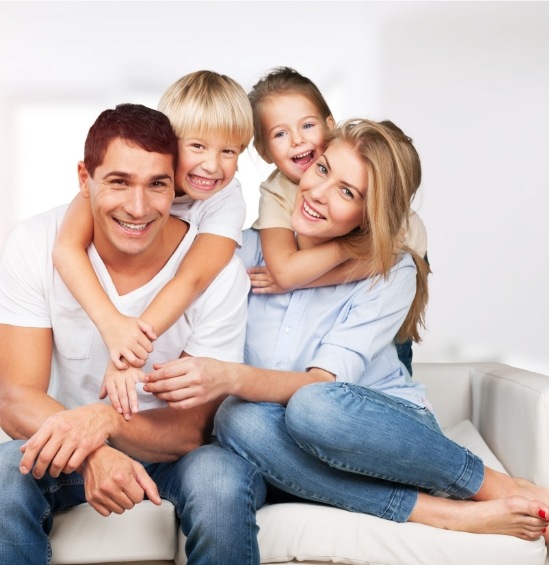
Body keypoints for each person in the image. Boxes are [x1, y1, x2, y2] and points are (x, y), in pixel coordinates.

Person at [144, 119, 549, 563]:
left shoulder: (391, 272)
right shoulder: (239, 251)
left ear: (369, 213)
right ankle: (435, 513)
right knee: (231, 429)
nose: (318, 193)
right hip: (271, 446)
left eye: (348, 192)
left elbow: (320, 385)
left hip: (381, 440)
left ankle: (487, 485)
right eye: (322, 170)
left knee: (313, 405)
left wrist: (229, 376)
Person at [0, 103, 250, 564]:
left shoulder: (219, 271)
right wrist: (93, 450)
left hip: (175, 455)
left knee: (221, 480)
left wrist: (109, 420)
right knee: (4, 471)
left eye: (157, 184)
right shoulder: (36, 242)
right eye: (119, 182)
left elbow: (190, 430)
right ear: (84, 178)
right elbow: (15, 399)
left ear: (176, 182)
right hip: (69, 445)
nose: (138, 208)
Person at [52, 71, 252, 419]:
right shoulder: (120, 176)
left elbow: (191, 278)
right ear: (170, 144)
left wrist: (129, 352)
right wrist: (112, 325)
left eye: (229, 151)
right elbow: (66, 249)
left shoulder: (226, 200)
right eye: (198, 146)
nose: (212, 165)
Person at [248, 66, 426, 373]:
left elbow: (390, 264)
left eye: (307, 125)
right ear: (264, 152)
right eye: (280, 133)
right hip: (328, 305)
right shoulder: (277, 192)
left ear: (330, 126)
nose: (297, 141)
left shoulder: (391, 210)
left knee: (392, 356)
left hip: (383, 300)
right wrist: (350, 248)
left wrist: (345, 252)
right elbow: (287, 272)